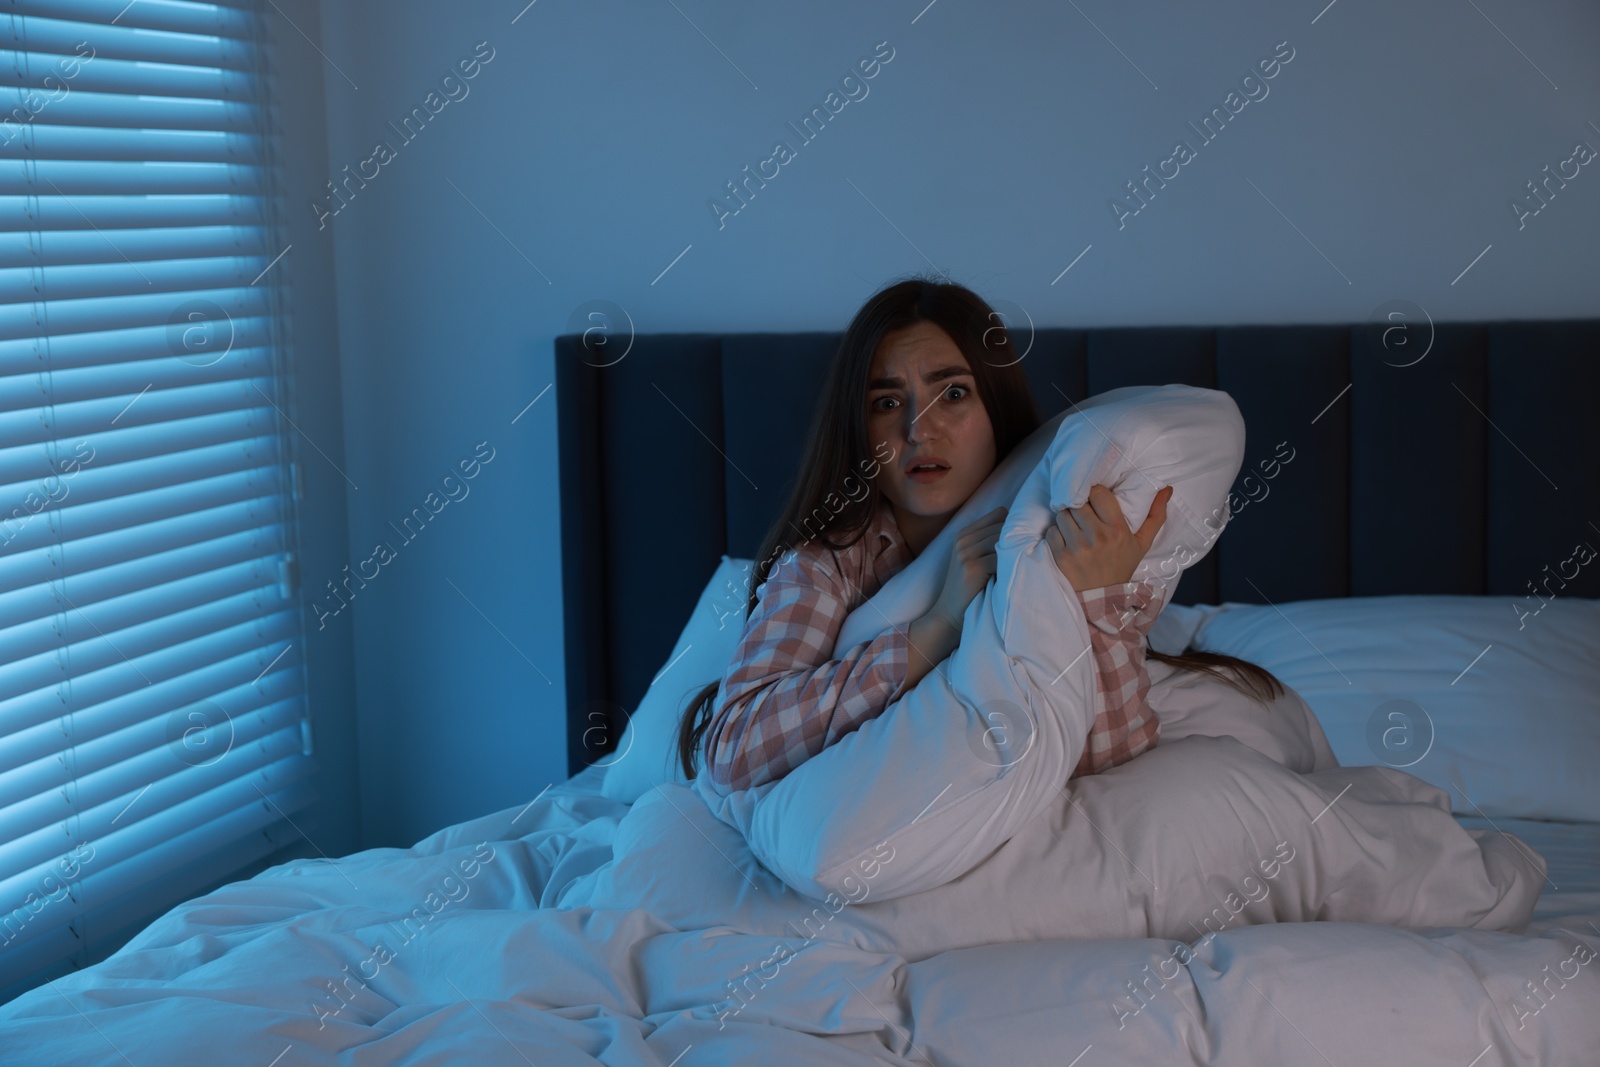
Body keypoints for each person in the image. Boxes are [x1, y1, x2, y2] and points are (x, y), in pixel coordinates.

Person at [674, 276, 1284, 794]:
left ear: (997, 408)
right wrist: (933, 626)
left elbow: (1108, 765)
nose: (920, 429)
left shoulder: (1080, 528)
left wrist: (1098, 599)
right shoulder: (829, 564)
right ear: (858, 431)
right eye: (887, 403)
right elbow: (732, 749)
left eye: (954, 394)